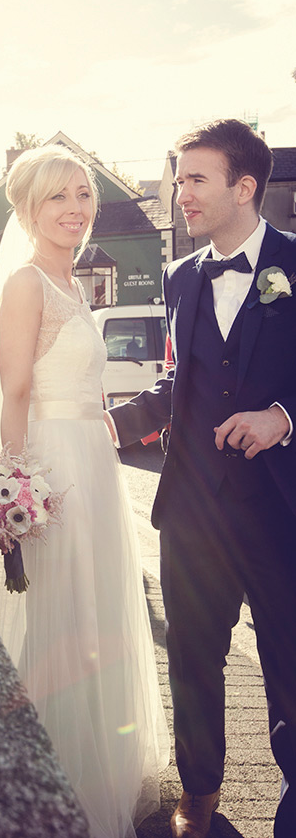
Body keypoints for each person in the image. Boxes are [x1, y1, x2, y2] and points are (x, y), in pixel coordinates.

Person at [0, 145, 169, 838]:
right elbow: (14, 391)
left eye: (84, 195)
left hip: (94, 460)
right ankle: (45, 779)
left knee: (95, 616)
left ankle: (92, 764)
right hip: (52, 467)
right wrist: (15, 487)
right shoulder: (27, 284)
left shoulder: (74, 283)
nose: (76, 209)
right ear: (27, 208)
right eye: (59, 197)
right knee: (59, 618)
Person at [107, 119, 296, 838]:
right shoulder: (181, 277)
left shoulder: (295, 266)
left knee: (288, 658)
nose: (179, 194)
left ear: (244, 187)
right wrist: (111, 426)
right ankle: (202, 797)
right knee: (191, 658)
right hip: (192, 510)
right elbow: (182, 381)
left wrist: (283, 415)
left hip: (280, 510)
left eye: (194, 180)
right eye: (178, 179)